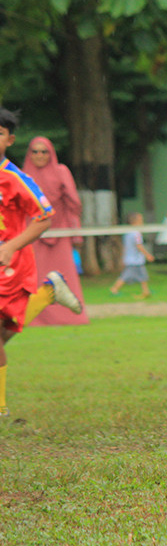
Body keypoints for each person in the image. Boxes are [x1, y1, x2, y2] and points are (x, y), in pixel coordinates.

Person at [0, 108, 82, 416]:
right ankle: (48, 292)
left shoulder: (16, 179)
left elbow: (44, 217)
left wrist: (11, 246)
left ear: (10, 140)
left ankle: (0, 407)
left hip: (10, 265)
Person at [20, 136, 88, 325]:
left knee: (64, 274)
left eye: (44, 152)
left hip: (60, 233)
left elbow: (73, 203)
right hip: (32, 235)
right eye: (35, 151)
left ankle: (70, 316)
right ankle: (34, 317)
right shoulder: (22, 176)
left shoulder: (61, 171)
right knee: (33, 276)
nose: (40, 155)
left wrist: (75, 231)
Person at [110, 212, 155, 298]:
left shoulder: (128, 232)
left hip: (132, 259)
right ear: (135, 221)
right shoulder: (136, 233)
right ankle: (114, 289)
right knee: (126, 276)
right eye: (141, 220)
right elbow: (139, 246)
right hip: (134, 260)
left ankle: (146, 291)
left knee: (143, 275)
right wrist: (147, 255)